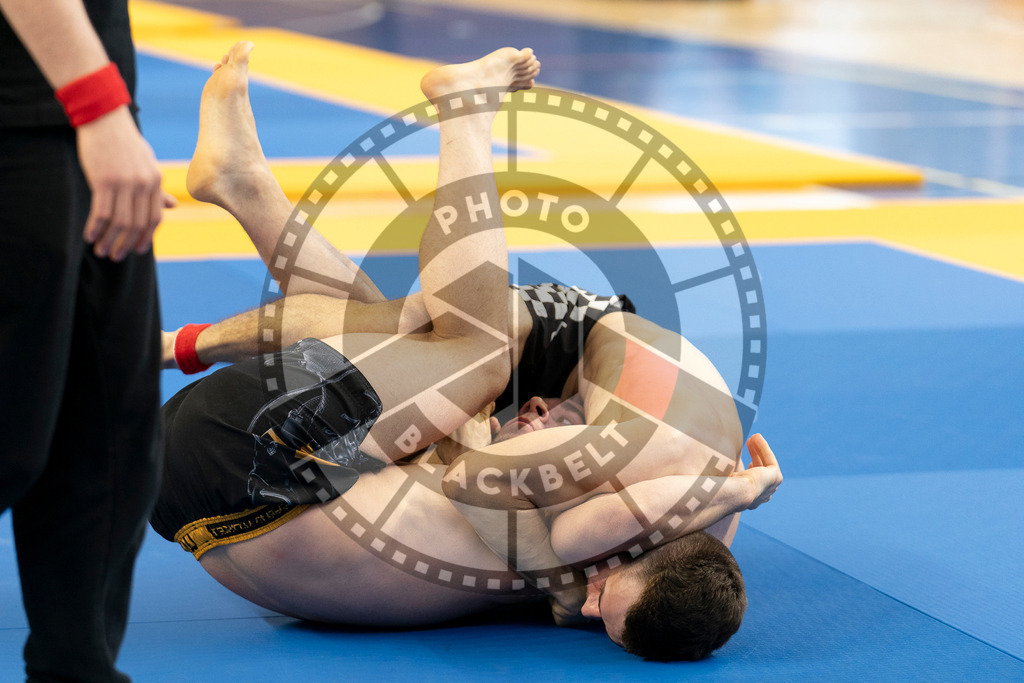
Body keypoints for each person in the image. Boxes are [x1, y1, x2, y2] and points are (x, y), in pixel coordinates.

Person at [153, 43, 782, 660]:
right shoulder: (622, 498)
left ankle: (239, 199)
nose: (587, 608)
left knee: (415, 341)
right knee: (471, 341)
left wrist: (733, 494)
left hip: (250, 465)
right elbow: (484, 481)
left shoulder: (643, 520)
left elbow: (499, 482)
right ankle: (464, 109)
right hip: (236, 459)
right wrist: (562, 582)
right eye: (605, 599)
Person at [0, 0, 171, 679]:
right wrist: (96, 104)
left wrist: (105, 111)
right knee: (12, 434)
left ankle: (79, 669)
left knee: (107, 436)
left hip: (84, 107)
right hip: (33, 115)